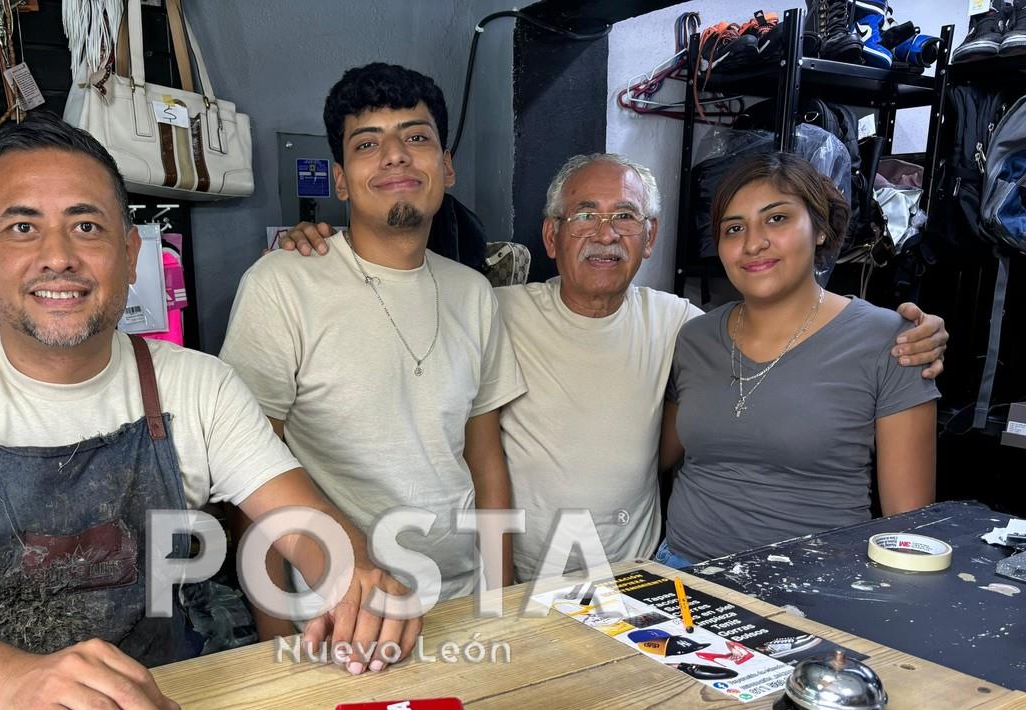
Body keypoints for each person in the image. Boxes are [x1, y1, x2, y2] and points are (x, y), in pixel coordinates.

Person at [0, 112, 418, 710]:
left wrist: (355, 575)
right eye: (23, 227)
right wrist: (14, 683)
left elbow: (307, 525)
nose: (59, 256)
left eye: (87, 226)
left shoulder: (199, 386)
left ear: (131, 254)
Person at [279, 154, 948, 579]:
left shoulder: (682, 325)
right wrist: (325, 247)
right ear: (550, 236)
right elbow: (397, 301)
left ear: (651, 237)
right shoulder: (491, 311)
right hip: (532, 576)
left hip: (645, 577)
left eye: (626, 216)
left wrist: (920, 334)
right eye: (584, 216)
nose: (605, 233)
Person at [220, 63, 525, 641]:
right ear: (340, 179)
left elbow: (485, 460)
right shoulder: (283, 285)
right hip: (338, 612)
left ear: (447, 166)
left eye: (416, 137)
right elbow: (251, 472)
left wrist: (499, 601)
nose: (395, 156)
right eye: (368, 143)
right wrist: (275, 633)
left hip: (462, 600)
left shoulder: (474, 293)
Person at [658, 151, 939, 566]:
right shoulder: (694, 337)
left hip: (814, 587)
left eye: (777, 219)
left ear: (820, 229)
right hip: (682, 573)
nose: (753, 243)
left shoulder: (892, 341)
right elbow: (653, 459)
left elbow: (909, 525)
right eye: (734, 228)